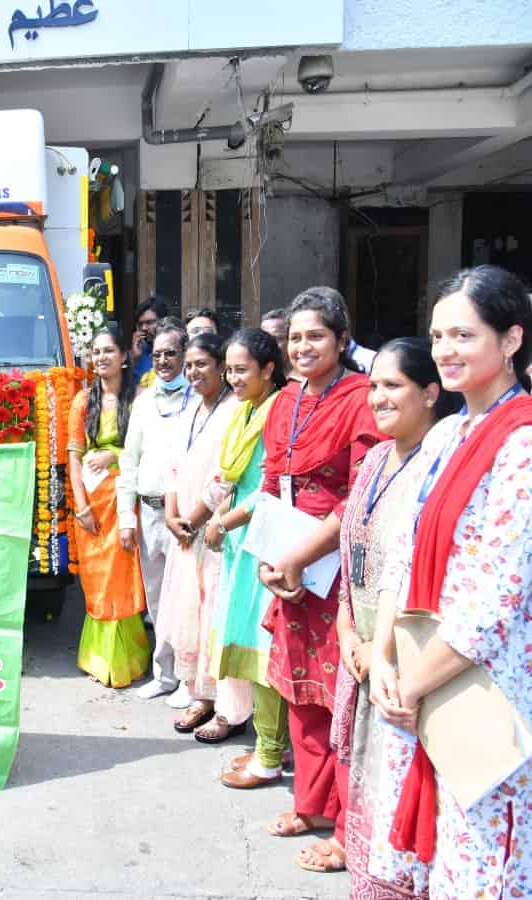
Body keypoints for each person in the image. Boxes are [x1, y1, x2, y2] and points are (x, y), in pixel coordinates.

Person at [376, 266, 532, 897]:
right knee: (430, 857)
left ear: (512, 340)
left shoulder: (521, 446)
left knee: (481, 865)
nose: (445, 350)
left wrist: (408, 684)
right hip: (420, 680)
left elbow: (497, 597)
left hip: (486, 690)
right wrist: (384, 657)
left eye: (464, 335)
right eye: (439, 335)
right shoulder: (444, 434)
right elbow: (405, 552)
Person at [318, 338, 456, 886]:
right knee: (363, 797)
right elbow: (354, 556)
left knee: (403, 806)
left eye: (392, 385)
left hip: (406, 667)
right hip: (362, 653)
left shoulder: (439, 469)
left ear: (430, 393)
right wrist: (350, 631)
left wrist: (387, 655)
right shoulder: (375, 457)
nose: (377, 397)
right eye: (373, 385)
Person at [255, 290, 384, 850]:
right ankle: (309, 805)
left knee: (342, 698)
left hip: (336, 566)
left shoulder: (360, 397)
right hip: (288, 564)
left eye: (315, 336)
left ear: (340, 339)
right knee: (300, 693)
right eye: (295, 338)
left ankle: (348, 823)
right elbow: (268, 483)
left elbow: (359, 497)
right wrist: (268, 557)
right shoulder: (284, 401)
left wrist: (298, 557)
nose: (303, 347)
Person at [199, 330, 291, 774]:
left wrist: (221, 521)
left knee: (265, 645)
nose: (233, 378)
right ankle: (268, 744)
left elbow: (269, 490)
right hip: (240, 541)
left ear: (269, 369)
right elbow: (234, 482)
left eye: (242, 370)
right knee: (248, 642)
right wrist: (219, 515)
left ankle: (272, 752)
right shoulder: (244, 413)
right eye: (230, 369)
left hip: (265, 541)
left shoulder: (277, 412)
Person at [154, 333, 252, 737]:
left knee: (216, 614)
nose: (193, 372)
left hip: (213, 532)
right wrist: (172, 515)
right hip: (185, 531)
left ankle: (229, 709)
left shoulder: (234, 411)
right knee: (189, 613)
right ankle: (200, 696)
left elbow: (225, 477)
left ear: (222, 369)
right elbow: (174, 466)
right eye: (189, 365)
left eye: (202, 365)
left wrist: (193, 521)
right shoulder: (191, 410)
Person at [68, 323, 152, 687]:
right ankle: (98, 658)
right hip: (92, 504)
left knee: (122, 577)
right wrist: (80, 506)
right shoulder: (82, 402)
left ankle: (126, 660)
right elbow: (73, 458)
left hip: (126, 503)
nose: (100, 357)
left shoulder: (140, 401)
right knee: (97, 580)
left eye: (107, 351)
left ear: (123, 356)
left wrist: (113, 457)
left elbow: (149, 452)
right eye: (95, 351)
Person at [117, 320, 193, 704]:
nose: (163, 360)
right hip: (148, 514)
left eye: (171, 353)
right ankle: (164, 674)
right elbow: (129, 461)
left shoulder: (198, 399)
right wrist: (126, 519)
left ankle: (189, 678)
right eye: (158, 353)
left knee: (189, 599)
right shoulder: (144, 401)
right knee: (158, 599)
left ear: (185, 355)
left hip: (184, 517)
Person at [129, 296, 167, 383]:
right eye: (140, 324)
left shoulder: (174, 352)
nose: (144, 328)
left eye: (149, 322)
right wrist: (133, 358)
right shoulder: (135, 353)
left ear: (163, 321)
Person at [260, 308, 293, 381]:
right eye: (264, 339)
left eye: (277, 339)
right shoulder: (257, 381)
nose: (269, 345)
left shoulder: (306, 383)